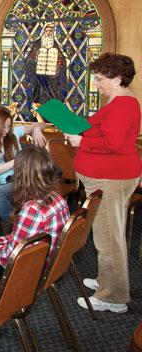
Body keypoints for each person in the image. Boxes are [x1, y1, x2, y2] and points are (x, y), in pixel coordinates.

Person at [65, 53, 141, 314]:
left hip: (113, 179)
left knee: (108, 238)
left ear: (118, 79)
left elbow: (113, 144)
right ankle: (107, 280)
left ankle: (113, 297)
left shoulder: (124, 104)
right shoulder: (117, 101)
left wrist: (81, 142)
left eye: (99, 79)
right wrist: (76, 126)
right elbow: (102, 130)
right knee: (106, 234)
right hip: (107, 179)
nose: (95, 83)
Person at [0, 146, 70, 272]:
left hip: (28, 269)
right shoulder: (58, 197)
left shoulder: (33, 210)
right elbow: (19, 240)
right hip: (49, 259)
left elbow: (11, 254)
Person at [0, 107, 46, 228]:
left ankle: (15, 227)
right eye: (3, 127)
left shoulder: (14, 132)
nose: (6, 130)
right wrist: (16, 161)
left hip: (24, 178)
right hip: (7, 181)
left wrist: (36, 129)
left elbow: (42, 125)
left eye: (9, 126)